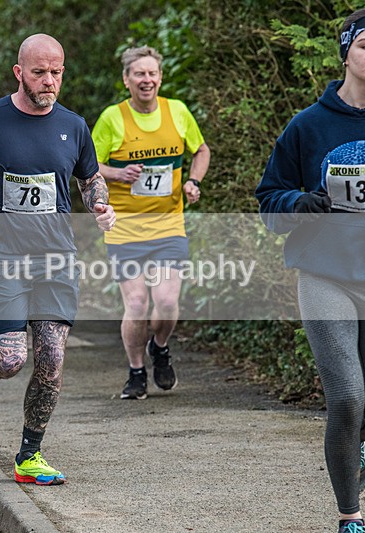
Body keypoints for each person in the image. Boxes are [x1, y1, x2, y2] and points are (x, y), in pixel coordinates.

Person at [255, 4, 365, 531]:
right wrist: (295, 205)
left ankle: (357, 448)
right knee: (347, 398)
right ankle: (350, 515)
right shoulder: (308, 125)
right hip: (324, 275)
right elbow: (268, 199)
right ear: (345, 53)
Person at [0, 33, 115, 485]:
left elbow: (90, 178)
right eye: (39, 72)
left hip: (56, 258)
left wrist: (100, 203)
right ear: (19, 72)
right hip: (1, 255)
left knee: (51, 359)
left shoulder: (73, 125)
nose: (49, 81)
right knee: (12, 358)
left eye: (56, 72)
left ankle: (28, 457)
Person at [91, 45, 210, 400]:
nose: (147, 79)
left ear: (160, 77)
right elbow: (87, 165)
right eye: (139, 74)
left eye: (152, 73)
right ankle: (136, 371)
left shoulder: (177, 112)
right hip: (125, 229)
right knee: (138, 303)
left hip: (168, 226)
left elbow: (200, 150)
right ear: (127, 80)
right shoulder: (113, 118)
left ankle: (159, 346)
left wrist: (193, 182)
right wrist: (117, 172)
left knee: (168, 300)